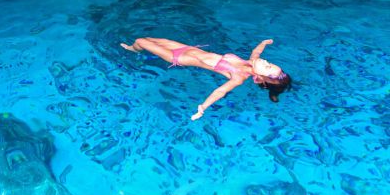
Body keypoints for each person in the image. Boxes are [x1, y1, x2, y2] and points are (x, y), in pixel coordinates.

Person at [120, 37, 291, 120]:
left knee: (141, 41)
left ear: (261, 78)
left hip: (177, 58)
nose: (266, 62)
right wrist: (264, 43)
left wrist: (203, 107)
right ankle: (135, 48)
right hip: (186, 48)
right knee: (150, 39)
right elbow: (257, 53)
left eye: (267, 66)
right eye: (269, 62)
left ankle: (133, 50)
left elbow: (220, 91)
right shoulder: (252, 62)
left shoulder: (239, 77)